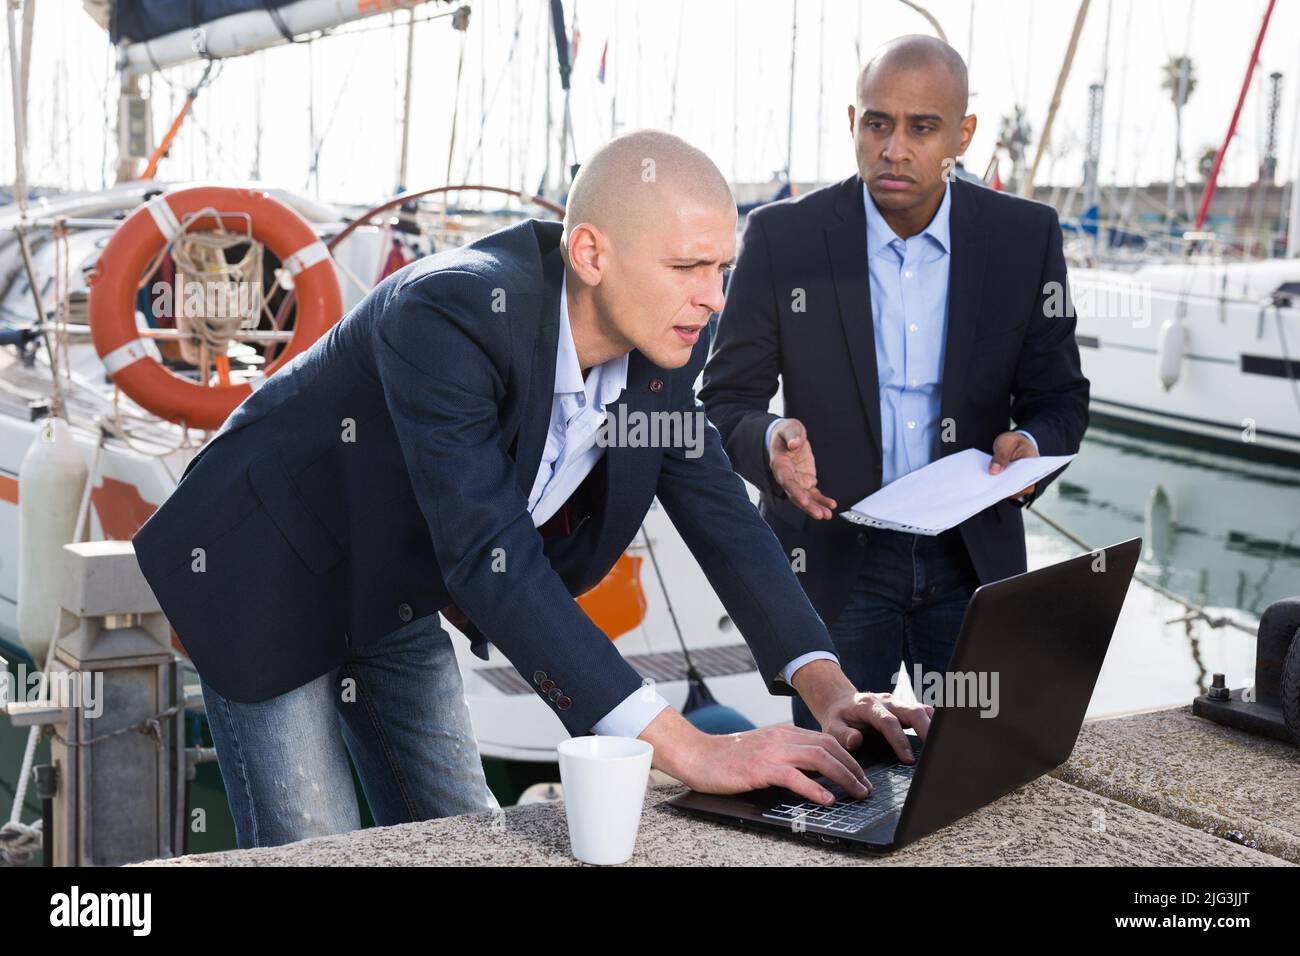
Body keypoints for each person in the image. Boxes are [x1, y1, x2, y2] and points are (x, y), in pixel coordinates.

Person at [133, 130, 933, 849]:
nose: (714, 297)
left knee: (462, 827)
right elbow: (494, 557)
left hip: (397, 576)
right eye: (690, 267)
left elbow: (720, 510)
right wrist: (690, 749)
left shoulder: (668, 338)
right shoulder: (448, 311)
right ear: (591, 254)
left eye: (723, 268)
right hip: (266, 563)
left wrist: (829, 689)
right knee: (319, 843)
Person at [700, 36, 1089, 731]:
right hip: (831, 559)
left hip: (971, 562)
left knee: (980, 768)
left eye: (922, 127)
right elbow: (727, 401)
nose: (895, 148)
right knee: (835, 783)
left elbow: (1060, 400)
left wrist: (1029, 443)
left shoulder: (1024, 239)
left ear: (962, 134)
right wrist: (771, 440)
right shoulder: (783, 238)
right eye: (878, 123)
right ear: (854, 122)